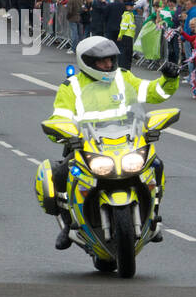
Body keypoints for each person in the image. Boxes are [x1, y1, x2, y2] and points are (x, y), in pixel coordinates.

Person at [44, 37, 180, 250]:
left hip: (127, 142)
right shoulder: (71, 87)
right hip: (86, 146)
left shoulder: (123, 77)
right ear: (87, 62)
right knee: (60, 175)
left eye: (110, 60)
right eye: (102, 61)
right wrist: (62, 132)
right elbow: (59, 117)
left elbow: (153, 92)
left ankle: (153, 214)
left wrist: (169, 78)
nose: (108, 65)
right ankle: (68, 225)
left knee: (156, 165)